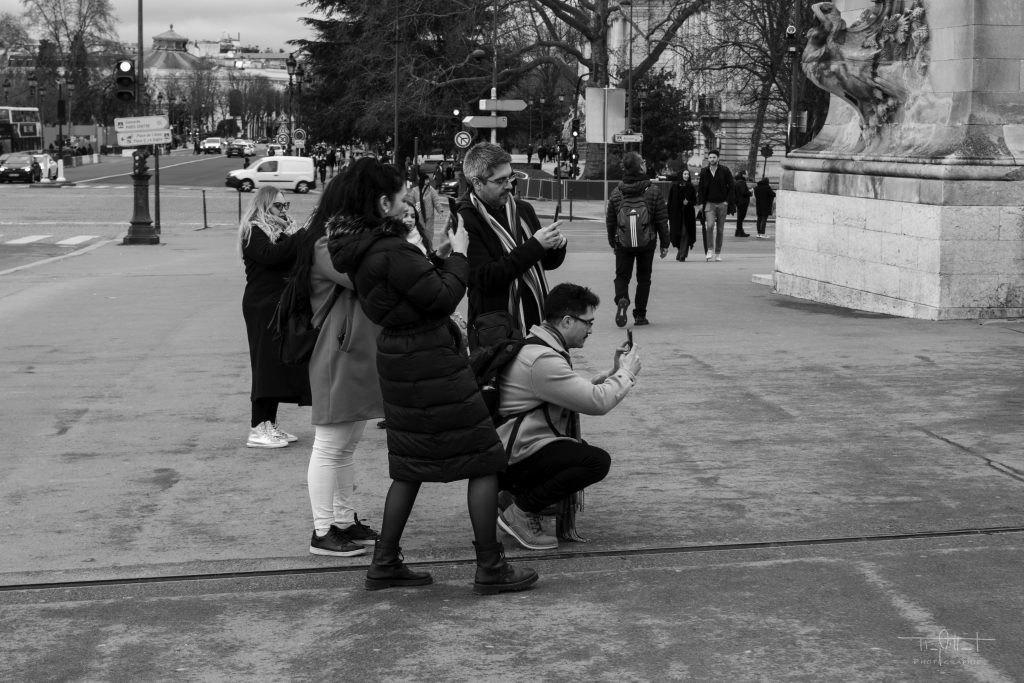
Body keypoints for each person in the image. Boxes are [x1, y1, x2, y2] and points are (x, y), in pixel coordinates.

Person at [328, 157, 537, 595]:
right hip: (431, 360)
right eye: (402, 197)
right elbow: (442, 298)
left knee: (410, 465)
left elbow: (415, 290)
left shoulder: (362, 247)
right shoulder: (390, 250)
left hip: (399, 358)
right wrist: (458, 255)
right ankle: (490, 565)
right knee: (485, 458)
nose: (408, 204)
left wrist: (434, 259)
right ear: (382, 202)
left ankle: (385, 562)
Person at [280, 174, 386, 558]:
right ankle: (323, 529)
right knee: (330, 446)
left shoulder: (332, 239)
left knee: (344, 446)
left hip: (348, 353)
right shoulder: (326, 243)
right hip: (335, 354)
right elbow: (368, 279)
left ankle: (341, 521)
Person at [495, 283, 641, 550]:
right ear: (566, 321)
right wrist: (626, 374)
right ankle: (521, 510)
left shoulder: (538, 346)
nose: (591, 330)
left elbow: (567, 390)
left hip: (513, 448)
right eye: (588, 322)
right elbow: (597, 401)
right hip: (515, 455)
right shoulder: (542, 360)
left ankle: (514, 496)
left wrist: (611, 372)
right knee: (594, 462)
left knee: (579, 454)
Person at [458, 142, 567, 341]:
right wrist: (535, 245)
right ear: (477, 183)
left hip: (537, 322)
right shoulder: (464, 219)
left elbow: (546, 263)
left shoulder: (523, 209)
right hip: (496, 331)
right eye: (500, 180)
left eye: (511, 177)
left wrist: (556, 244)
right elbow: (486, 278)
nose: (509, 185)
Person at [239, 186, 310, 448]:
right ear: (264, 206)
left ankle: (269, 423)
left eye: (286, 205)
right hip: (262, 305)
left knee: (276, 365)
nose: (284, 210)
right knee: (264, 365)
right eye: (279, 206)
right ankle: (257, 427)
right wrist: (301, 236)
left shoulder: (282, 231)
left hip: (279, 304)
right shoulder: (253, 230)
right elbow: (270, 257)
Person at [605, 151, 669, 327]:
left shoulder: (617, 192)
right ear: (640, 166)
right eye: (643, 161)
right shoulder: (653, 191)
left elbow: (611, 220)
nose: (645, 163)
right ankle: (640, 315)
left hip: (623, 242)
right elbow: (662, 220)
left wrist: (613, 242)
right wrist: (665, 244)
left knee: (621, 276)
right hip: (647, 242)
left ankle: (622, 299)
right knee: (644, 278)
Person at [697, 149, 735, 262]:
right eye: (710, 157)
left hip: (722, 203)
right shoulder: (704, 171)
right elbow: (700, 188)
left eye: (714, 157)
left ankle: (718, 253)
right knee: (709, 226)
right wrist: (700, 203)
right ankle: (709, 249)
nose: (712, 159)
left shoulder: (725, 170)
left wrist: (727, 201)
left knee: (720, 230)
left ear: (718, 158)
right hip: (709, 203)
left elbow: (732, 186)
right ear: (708, 159)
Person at [667, 168, 698, 261]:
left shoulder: (691, 187)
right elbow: (670, 201)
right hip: (676, 215)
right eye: (685, 174)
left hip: (687, 215)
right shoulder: (674, 187)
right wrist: (668, 214)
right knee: (677, 234)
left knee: (685, 233)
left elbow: (694, 201)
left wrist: (688, 202)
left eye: (688, 174)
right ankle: (680, 251)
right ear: (681, 175)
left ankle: (682, 255)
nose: (687, 176)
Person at [732, 170, 752, 237]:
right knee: (741, 218)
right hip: (743, 202)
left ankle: (738, 231)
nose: (747, 176)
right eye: (746, 174)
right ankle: (740, 232)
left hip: (739, 202)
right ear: (743, 175)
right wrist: (750, 192)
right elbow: (744, 193)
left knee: (739, 218)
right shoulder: (742, 182)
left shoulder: (737, 182)